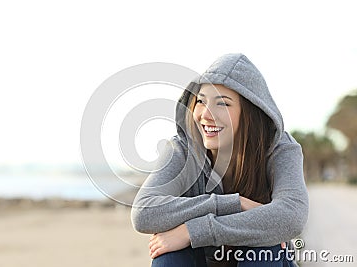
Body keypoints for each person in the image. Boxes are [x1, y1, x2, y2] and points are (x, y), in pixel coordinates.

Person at [131, 53, 309, 266]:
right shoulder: (182, 150)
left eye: (222, 104)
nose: (206, 114)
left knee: (266, 249)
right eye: (200, 101)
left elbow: (291, 217)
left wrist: (192, 231)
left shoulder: (280, 149)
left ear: (250, 111)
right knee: (168, 255)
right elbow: (144, 212)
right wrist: (234, 203)